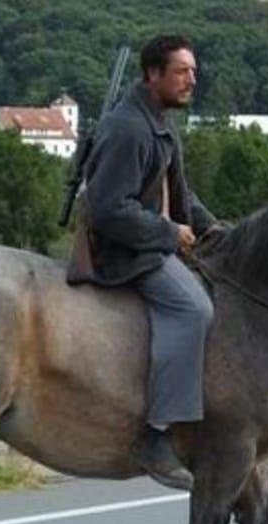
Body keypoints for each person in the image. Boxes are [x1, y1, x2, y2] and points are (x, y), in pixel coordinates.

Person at [80, 34, 216, 491]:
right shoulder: (129, 128)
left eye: (193, 71)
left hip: (149, 243)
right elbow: (108, 208)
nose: (191, 79)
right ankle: (157, 435)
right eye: (181, 71)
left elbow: (181, 196)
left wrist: (216, 230)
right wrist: (168, 233)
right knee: (193, 309)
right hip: (126, 252)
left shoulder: (158, 122)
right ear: (152, 74)